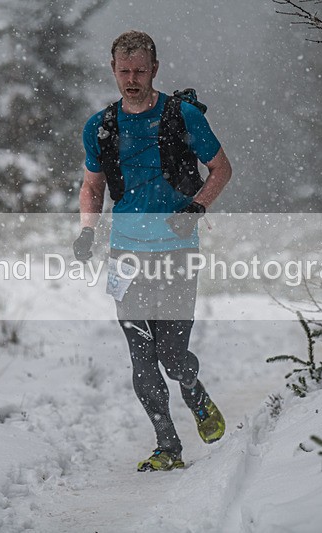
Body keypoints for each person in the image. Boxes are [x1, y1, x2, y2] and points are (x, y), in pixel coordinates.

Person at [74, 30, 232, 472]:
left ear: (155, 69)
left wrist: (198, 207)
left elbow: (222, 168)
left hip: (178, 251)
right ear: (113, 70)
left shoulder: (182, 116)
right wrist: (88, 231)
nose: (132, 79)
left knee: (172, 353)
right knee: (141, 355)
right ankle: (168, 445)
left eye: (140, 70)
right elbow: (92, 186)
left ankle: (194, 392)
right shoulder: (100, 126)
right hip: (125, 255)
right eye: (124, 71)